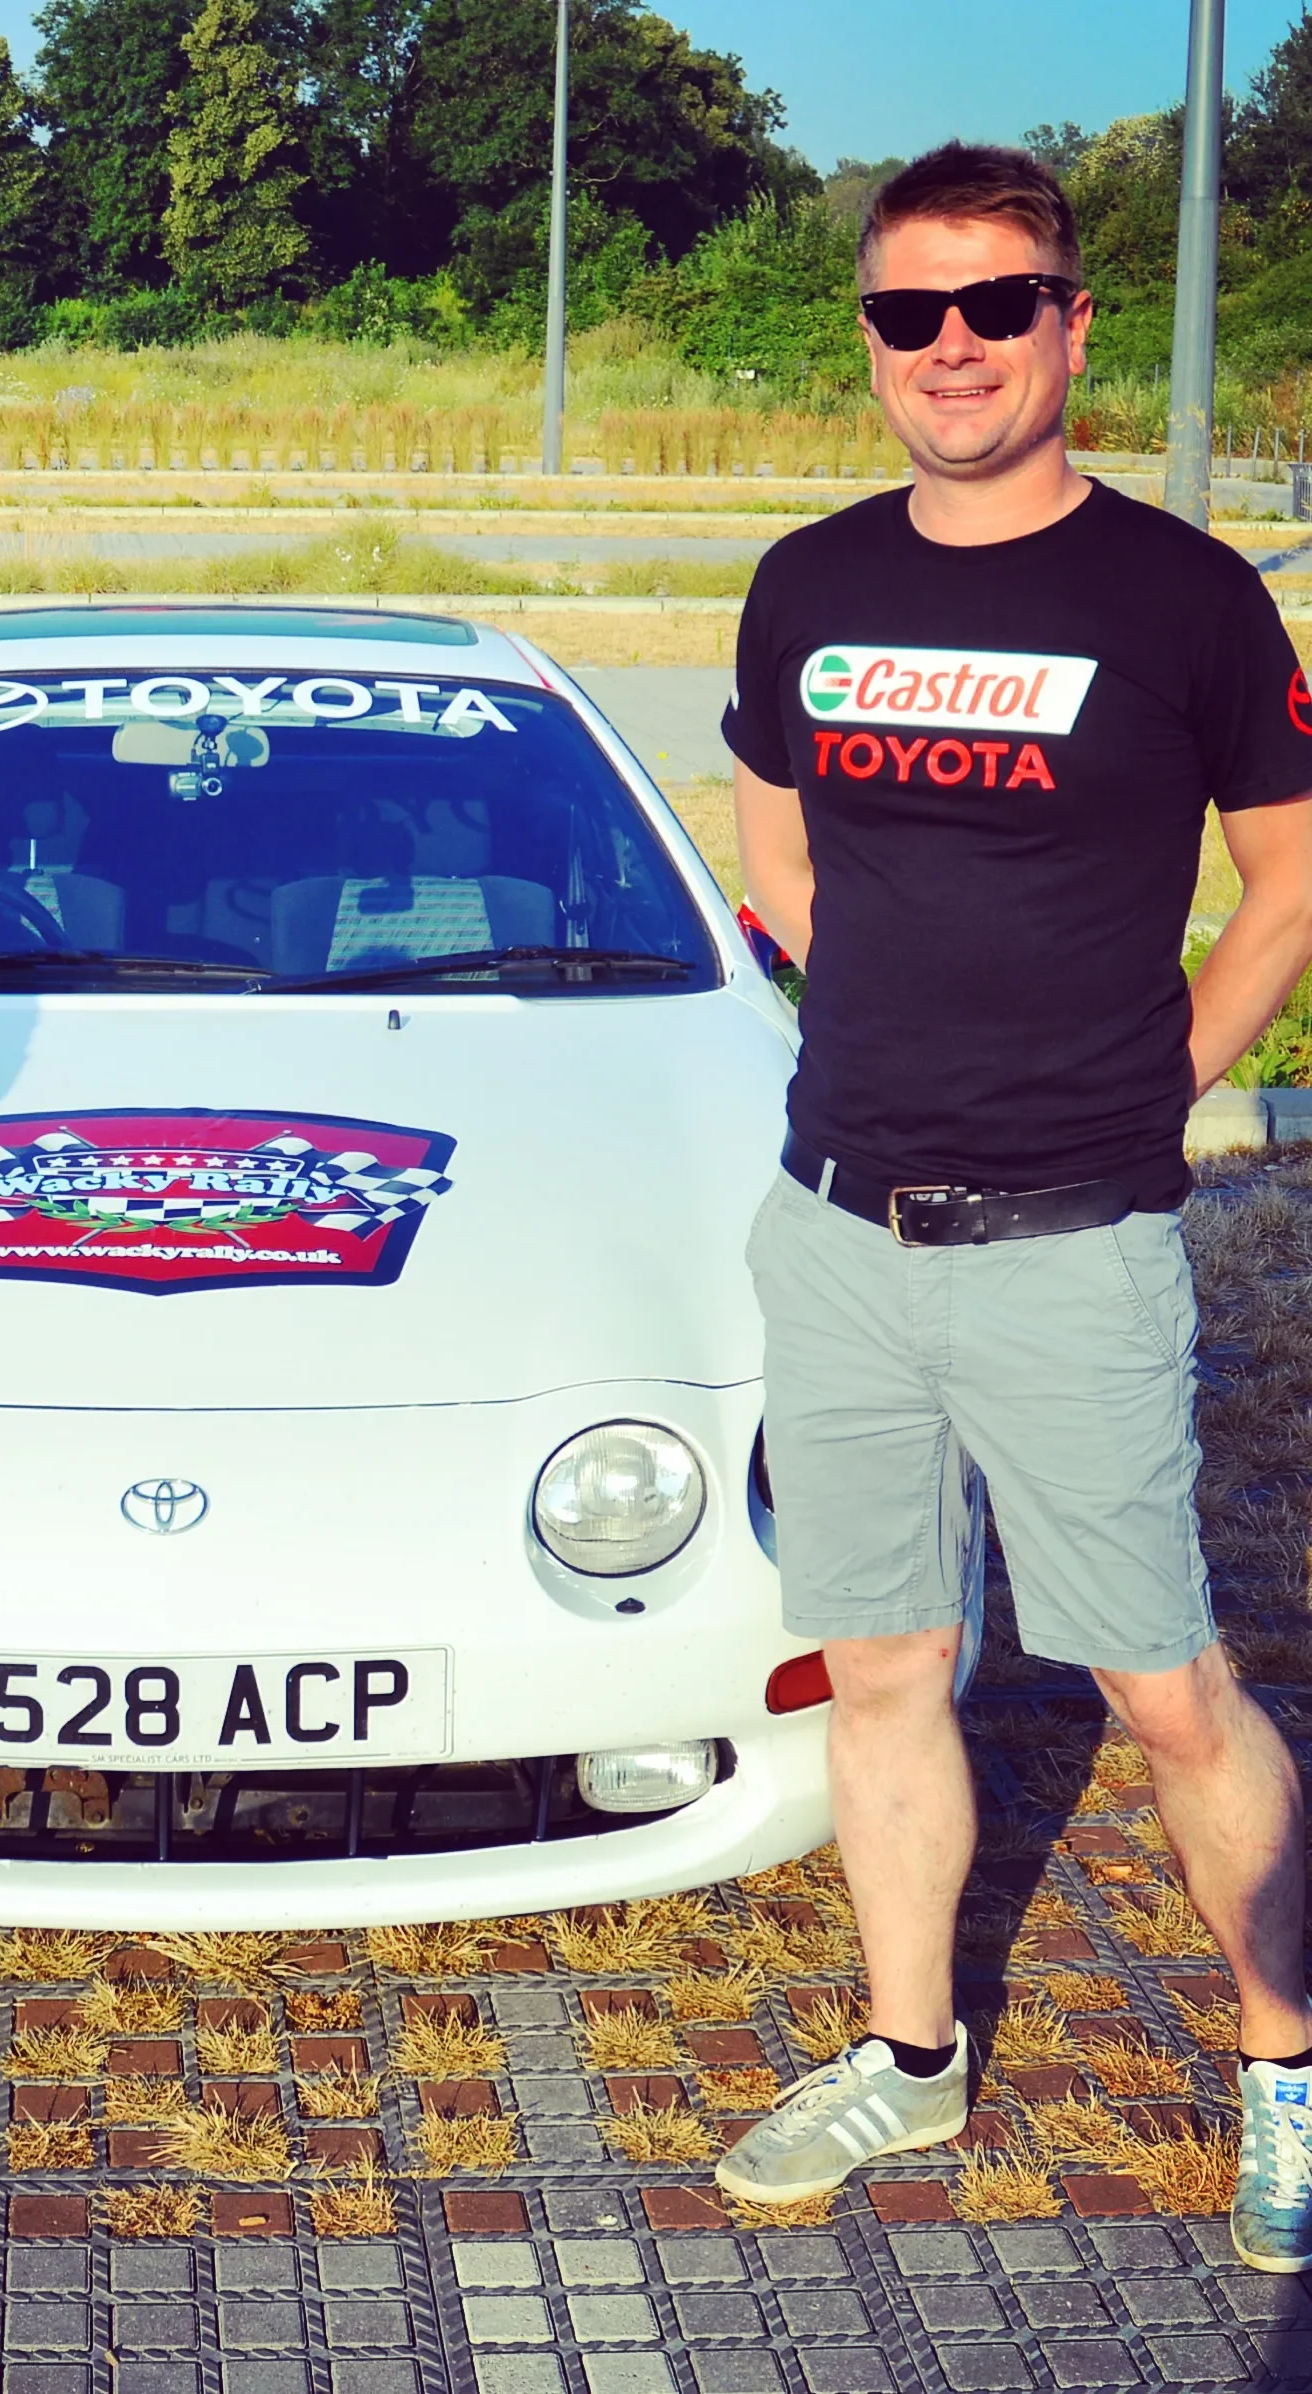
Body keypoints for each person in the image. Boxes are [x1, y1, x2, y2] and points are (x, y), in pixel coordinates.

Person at [715, 143, 1312, 2270]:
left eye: (995, 307)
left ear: (1071, 323)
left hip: (1073, 1243)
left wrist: (1158, 1073)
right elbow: (777, 844)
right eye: (908, 314)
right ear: (871, 338)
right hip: (840, 1227)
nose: (949, 349)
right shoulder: (807, 585)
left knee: (1163, 1687)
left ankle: (1285, 2067)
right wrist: (873, 1020)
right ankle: (908, 2055)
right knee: (883, 1667)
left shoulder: (1184, 600)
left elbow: (1291, 883)